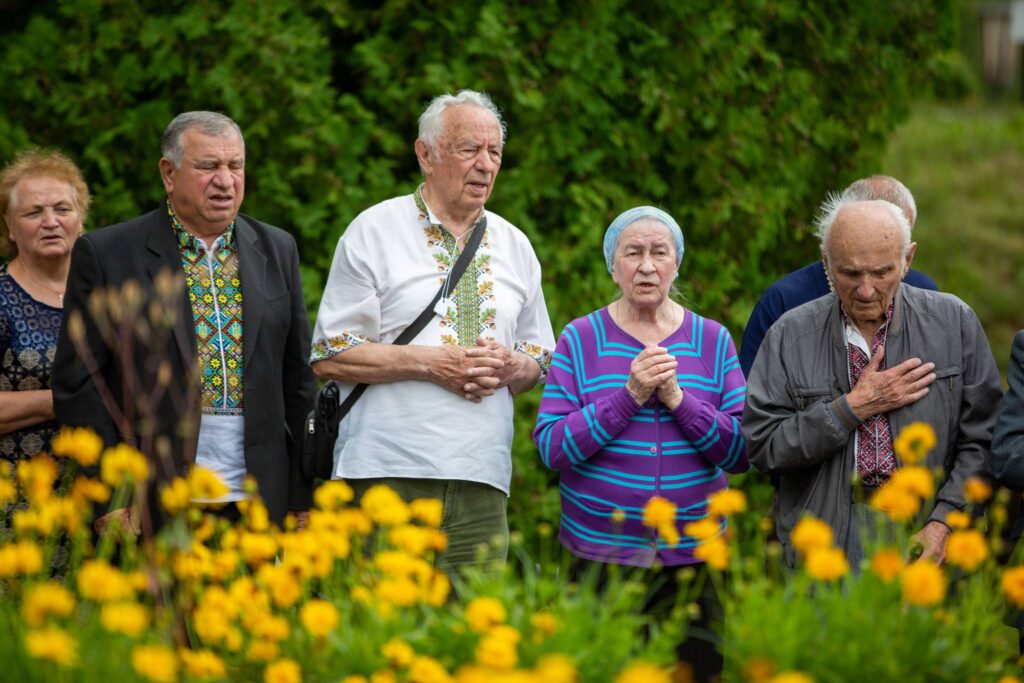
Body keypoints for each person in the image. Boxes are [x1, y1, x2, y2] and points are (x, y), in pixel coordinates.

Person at [310, 90, 554, 576]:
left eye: (495, 153)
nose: (485, 165)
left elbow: (538, 355)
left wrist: (512, 366)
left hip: (482, 477)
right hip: (385, 475)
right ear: (426, 155)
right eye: (469, 150)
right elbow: (330, 353)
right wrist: (430, 363)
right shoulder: (373, 230)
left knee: (474, 643)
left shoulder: (516, 244)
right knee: (382, 637)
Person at [52, 111, 316, 534]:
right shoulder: (108, 254)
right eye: (209, 166)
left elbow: (298, 379)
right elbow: (79, 384)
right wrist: (106, 493)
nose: (226, 181)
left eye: (236, 166)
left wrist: (301, 494)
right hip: (149, 499)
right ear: (168, 174)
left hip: (257, 498)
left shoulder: (277, 248)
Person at [533, 206, 747, 682]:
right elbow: (551, 447)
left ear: (677, 263)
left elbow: (741, 450)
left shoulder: (712, 341)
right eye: (632, 252)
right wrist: (628, 396)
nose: (646, 265)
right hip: (599, 559)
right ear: (613, 266)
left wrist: (678, 399)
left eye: (659, 252)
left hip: (694, 559)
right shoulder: (580, 339)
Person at [742, 198, 1001, 567]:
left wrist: (944, 522)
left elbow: (984, 437)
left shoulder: (953, 323)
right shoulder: (790, 334)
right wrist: (851, 409)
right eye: (850, 274)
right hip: (823, 539)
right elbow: (764, 445)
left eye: (881, 273)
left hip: (925, 531)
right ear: (825, 261)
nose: (865, 290)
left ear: (908, 259)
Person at [739, 176, 939, 377]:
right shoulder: (783, 301)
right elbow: (753, 397)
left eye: (902, 237)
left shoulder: (927, 295)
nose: (866, 290)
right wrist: (848, 407)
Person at [0, 150, 90, 463]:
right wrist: (63, 401)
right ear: (10, 226)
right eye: (33, 213)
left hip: (103, 494)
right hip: (17, 496)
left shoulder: (107, 293)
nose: (50, 222)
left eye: (62, 209)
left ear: (80, 220)